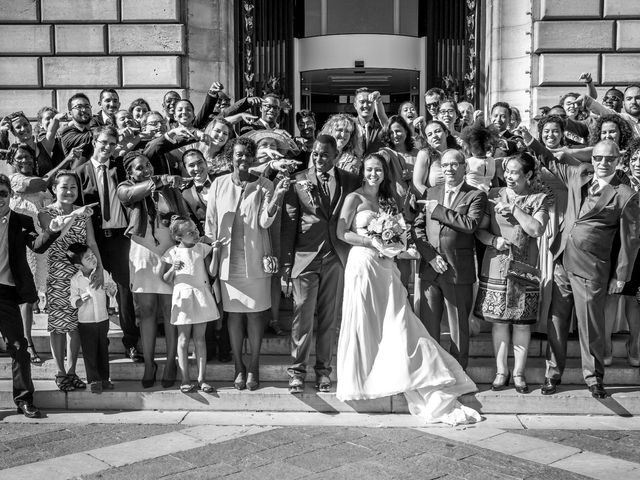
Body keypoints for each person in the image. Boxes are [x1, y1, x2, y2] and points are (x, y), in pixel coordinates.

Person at [335, 154, 481, 425]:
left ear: (384, 172)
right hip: (363, 264)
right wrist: (372, 242)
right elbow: (342, 233)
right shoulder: (353, 198)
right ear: (362, 172)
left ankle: (403, 367)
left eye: (378, 170)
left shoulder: (389, 200)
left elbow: (402, 231)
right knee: (364, 319)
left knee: (396, 318)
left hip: (386, 266)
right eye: (369, 169)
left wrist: (396, 246)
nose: (373, 174)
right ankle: (363, 375)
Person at [542, 140, 640, 398]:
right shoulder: (580, 174)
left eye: (609, 158)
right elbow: (551, 160)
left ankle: (594, 379)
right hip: (563, 260)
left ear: (618, 160)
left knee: (591, 326)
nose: (602, 163)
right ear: (592, 158)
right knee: (557, 320)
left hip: (592, 267)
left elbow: (630, 240)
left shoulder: (625, 194)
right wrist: (530, 141)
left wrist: (621, 276)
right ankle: (553, 374)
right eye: (598, 158)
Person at [205, 137, 289, 391]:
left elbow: (265, 222)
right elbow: (210, 223)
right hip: (228, 262)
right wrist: (210, 256)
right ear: (230, 157)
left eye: (246, 155)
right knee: (234, 315)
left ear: (253, 158)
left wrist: (277, 197)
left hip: (255, 259)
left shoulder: (265, 184)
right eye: (238, 154)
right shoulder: (218, 183)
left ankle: (253, 366)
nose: (242, 158)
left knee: (255, 315)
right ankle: (238, 366)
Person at [281, 134, 361, 394]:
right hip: (305, 258)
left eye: (325, 154)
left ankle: (324, 372)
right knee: (302, 316)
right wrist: (286, 266)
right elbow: (289, 225)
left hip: (336, 256)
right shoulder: (298, 181)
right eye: (315, 153)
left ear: (336, 156)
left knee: (329, 318)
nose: (318, 159)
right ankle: (296, 372)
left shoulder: (350, 181)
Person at [474, 152, 551, 393]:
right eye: (506, 171)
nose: (508, 176)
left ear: (528, 175)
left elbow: (536, 229)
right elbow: (479, 231)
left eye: (514, 172)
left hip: (524, 267)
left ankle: (518, 372)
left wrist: (514, 209)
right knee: (498, 322)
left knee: (521, 323)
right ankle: (501, 371)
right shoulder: (493, 195)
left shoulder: (539, 199)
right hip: (496, 263)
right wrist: (494, 240)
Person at [0, 173, 72, 418]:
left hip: (7, 293)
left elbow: (37, 245)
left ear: (10, 195)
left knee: (19, 347)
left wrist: (52, 230)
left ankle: (24, 400)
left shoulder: (21, 220)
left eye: (3, 193)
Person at [117, 152, 190, 389]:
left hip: (169, 254)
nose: (146, 169)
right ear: (130, 173)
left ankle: (170, 363)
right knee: (146, 311)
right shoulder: (126, 187)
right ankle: (150, 363)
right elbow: (130, 195)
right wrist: (159, 180)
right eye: (140, 168)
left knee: (170, 311)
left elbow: (184, 219)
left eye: (148, 165)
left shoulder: (169, 189)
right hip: (142, 255)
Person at [413, 149, 487, 370]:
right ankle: (431, 371)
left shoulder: (475, 195)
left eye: (454, 164)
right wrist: (430, 256)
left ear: (464, 167)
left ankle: (458, 373)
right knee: (428, 326)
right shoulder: (430, 191)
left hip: (457, 269)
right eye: (445, 165)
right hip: (430, 267)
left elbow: (470, 225)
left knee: (458, 329)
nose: (449, 169)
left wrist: (439, 210)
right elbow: (417, 229)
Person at [76, 126, 142, 363]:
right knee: (97, 289)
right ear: (95, 141)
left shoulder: (120, 168)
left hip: (119, 237)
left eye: (112, 144)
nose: (107, 147)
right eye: (103, 142)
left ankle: (131, 343)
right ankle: (99, 343)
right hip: (94, 239)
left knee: (125, 291)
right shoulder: (81, 172)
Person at [39, 171, 104, 393]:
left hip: (81, 273)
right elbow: (55, 234)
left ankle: (72, 370)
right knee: (58, 326)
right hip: (58, 272)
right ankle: (59, 372)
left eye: (73, 187)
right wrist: (75, 214)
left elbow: (91, 242)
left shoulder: (84, 214)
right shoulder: (45, 212)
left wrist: (100, 269)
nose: (69, 191)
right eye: (64, 187)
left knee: (76, 325)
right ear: (54, 189)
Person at [180, 148, 231, 363]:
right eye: (191, 165)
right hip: (203, 251)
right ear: (186, 168)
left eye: (199, 162)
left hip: (228, 246)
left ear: (206, 162)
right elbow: (187, 221)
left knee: (227, 297)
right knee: (207, 297)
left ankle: (226, 346)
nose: (196, 168)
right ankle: (209, 346)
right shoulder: (185, 193)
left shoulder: (223, 181)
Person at [162, 216, 220, 393]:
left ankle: (202, 378)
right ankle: (185, 378)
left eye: (196, 229)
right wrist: (173, 268)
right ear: (178, 237)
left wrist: (216, 252)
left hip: (201, 295)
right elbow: (165, 278)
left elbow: (212, 272)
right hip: (183, 298)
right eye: (190, 232)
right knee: (183, 338)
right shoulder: (172, 252)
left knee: (200, 339)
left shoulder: (202, 248)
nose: (196, 234)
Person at [68, 243, 113, 394]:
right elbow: (73, 301)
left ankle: (105, 378)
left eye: (93, 255)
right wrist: (81, 299)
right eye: (88, 258)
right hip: (85, 322)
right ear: (79, 265)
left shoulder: (102, 273)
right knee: (89, 351)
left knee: (103, 349)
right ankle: (94, 380)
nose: (93, 259)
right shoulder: (76, 280)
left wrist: (111, 290)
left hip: (102, 318)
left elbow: (112, 290)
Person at [620, 141, 640, 367]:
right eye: (635, 158)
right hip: (629, 248)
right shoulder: (622, 182)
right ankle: (634, 343)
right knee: (632, 298)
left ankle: (636, 343)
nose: (638, 163)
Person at [413, 120, 459, 195]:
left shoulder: (457, 153)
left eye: (437, 131)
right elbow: (417, 184)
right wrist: (434, 199)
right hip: (435, 203)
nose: (434, 136)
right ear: (427, 140)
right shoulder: (425, 154)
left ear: (446, 133)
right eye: (430, 134)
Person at [59, 93, 95, 161]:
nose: (84, 110)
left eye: (87, 106)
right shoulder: (66, 133)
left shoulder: (95, 128)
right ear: (70, 113)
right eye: (79, 107)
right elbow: (86, 138)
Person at [353, 88, 385, 156]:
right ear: (355, 105)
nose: (365, 105)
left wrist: (378, 99)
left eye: (369, 102)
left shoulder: (382, 129)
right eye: (362, 102)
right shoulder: (349, 128)